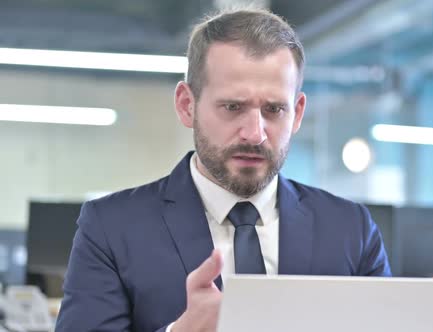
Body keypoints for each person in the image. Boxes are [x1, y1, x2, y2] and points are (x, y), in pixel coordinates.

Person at [55, 8, 391, 332]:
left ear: (298, 113)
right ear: (188, 106)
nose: (255, 133)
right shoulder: (111, 228)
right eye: (233, 107)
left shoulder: (351, 232)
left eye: (274, 109)